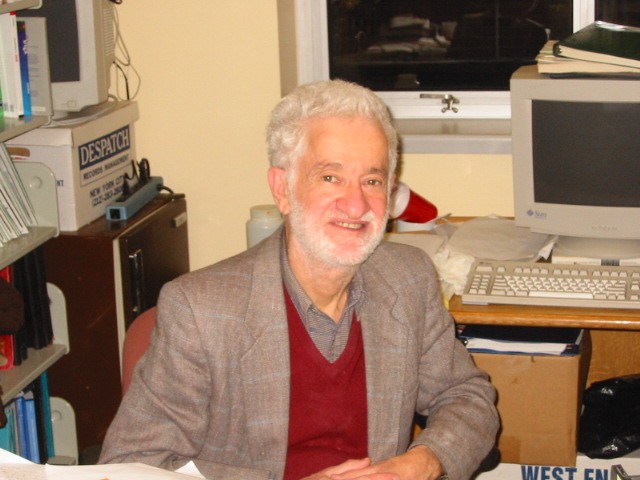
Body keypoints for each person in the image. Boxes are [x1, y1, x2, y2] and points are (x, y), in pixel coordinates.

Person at [99, 79, 499, 480]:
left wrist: (423, 462)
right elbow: (132, 465)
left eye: (372, 181)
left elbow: (468, 397)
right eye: (330, 177)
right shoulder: (200, 310)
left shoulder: (408, 278)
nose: (356, 204)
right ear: (283, 189)